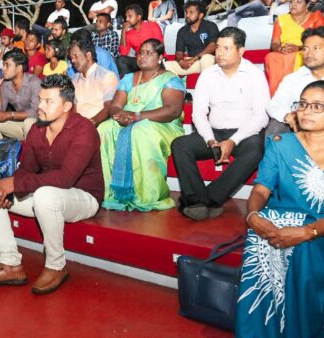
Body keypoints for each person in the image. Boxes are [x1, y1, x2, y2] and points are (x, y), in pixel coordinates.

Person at [0, 75, 102, 294]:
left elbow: (65, 178)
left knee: (44, 196)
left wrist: (16, 183)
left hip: (83, 197)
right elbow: (27, 170)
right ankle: (10, 264)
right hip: (47, 192)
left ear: (66, 106)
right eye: (40, 99)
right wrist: (12, 187)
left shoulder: (84, 129)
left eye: (49, 101)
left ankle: (56, 266)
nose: (40, 106)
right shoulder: (36, 129)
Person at [236, 81, 324, 338]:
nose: (306, 111)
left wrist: (308, 231)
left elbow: (308, 233)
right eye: (303, 104)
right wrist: (253, 216)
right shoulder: (280, 143)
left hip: (318, 229)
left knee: (305, 248)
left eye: (317, 106)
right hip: (286, 222)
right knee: (261, 234)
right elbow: (261, 190)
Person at [171, 28, 270, 221]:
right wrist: (210, 139)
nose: (219, 53)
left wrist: (233, 141)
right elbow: (199, 113)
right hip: (213, 133)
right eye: (217, 48)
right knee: (180, 145)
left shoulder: (254, 74)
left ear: (240, 51)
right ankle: (197, 200)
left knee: (256, 149)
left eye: (226, 48)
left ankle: (208, 199)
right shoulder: (208, 75)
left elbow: (261, 116)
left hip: (244, 134)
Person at [99, 39, 184, 212]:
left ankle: (146, 195)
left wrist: (137, 116)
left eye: (149, 53)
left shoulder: (170, 79)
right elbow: (115, 105)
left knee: (139, 131)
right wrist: (118, 115)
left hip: (161, 124)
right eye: (140, 53)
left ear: (160, 57)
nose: (142, 56)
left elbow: (172, 110)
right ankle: (113, 192)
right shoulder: (128, 79)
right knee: (104, 129)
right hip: (130, 120)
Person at [266, 27, 324, 136]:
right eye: (305, 49)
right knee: (276, 126)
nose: (309, 54)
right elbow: (274, 104)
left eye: (316, 48)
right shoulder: (293, 78)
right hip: (299, 129)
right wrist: (288, 115)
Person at [264, 0, 324, 96]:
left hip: (306, 50)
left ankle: (296, 93)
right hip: (283, 51)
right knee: (271, 57)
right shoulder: (281, 19)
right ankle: (277, 94)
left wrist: (300, 48)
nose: (293, 5)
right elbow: (275, 43)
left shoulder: (316, 17)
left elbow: (320, 41)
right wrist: (280, 49)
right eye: (291, 2)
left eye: (298, 2)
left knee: (299, 56)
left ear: (307, 5)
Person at [0, 50, 41, 144]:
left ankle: (29, 153)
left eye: (7, 65)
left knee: (29, 122)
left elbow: (36, 112)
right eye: (3, 65)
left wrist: (10, 115)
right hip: (20, 126)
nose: (3, 68)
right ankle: (2, 151)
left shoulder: (34, 82)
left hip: (38, 127)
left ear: (19, 68)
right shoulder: (6, 84)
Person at [69, 35, 118, 126]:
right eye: (71, 57)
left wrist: (90, 123)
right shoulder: (73, 80)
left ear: (88, 55)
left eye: (76, 56)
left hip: (99, 124)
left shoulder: (107, 76)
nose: (73, 60)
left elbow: (109, 107)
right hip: (78, 126)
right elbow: (73, 108)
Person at [164, 0, 218, 76]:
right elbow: (179, 52)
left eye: (191, 12)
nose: (187, 15)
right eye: (186, 12)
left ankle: (207, 83)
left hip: (210, 61)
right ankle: (177, 83)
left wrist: (195, 58)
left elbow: (213, 45)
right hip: (192, 63)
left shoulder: (210, 26)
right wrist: (180, 61)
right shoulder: (182, 31)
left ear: (200, 15)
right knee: (166, 65)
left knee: (206, 58)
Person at [118, 4, 164, 76]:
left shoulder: (152, 25)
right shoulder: (128, 34)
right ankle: (130, 82)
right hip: (140, 61)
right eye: (126, 17)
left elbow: (160, 46)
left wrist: (148, 56)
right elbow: (123, 53)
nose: (127, 19)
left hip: (154, 59)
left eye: (130, 16)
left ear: (138, 17)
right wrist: (123, 31)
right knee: (121, 60)